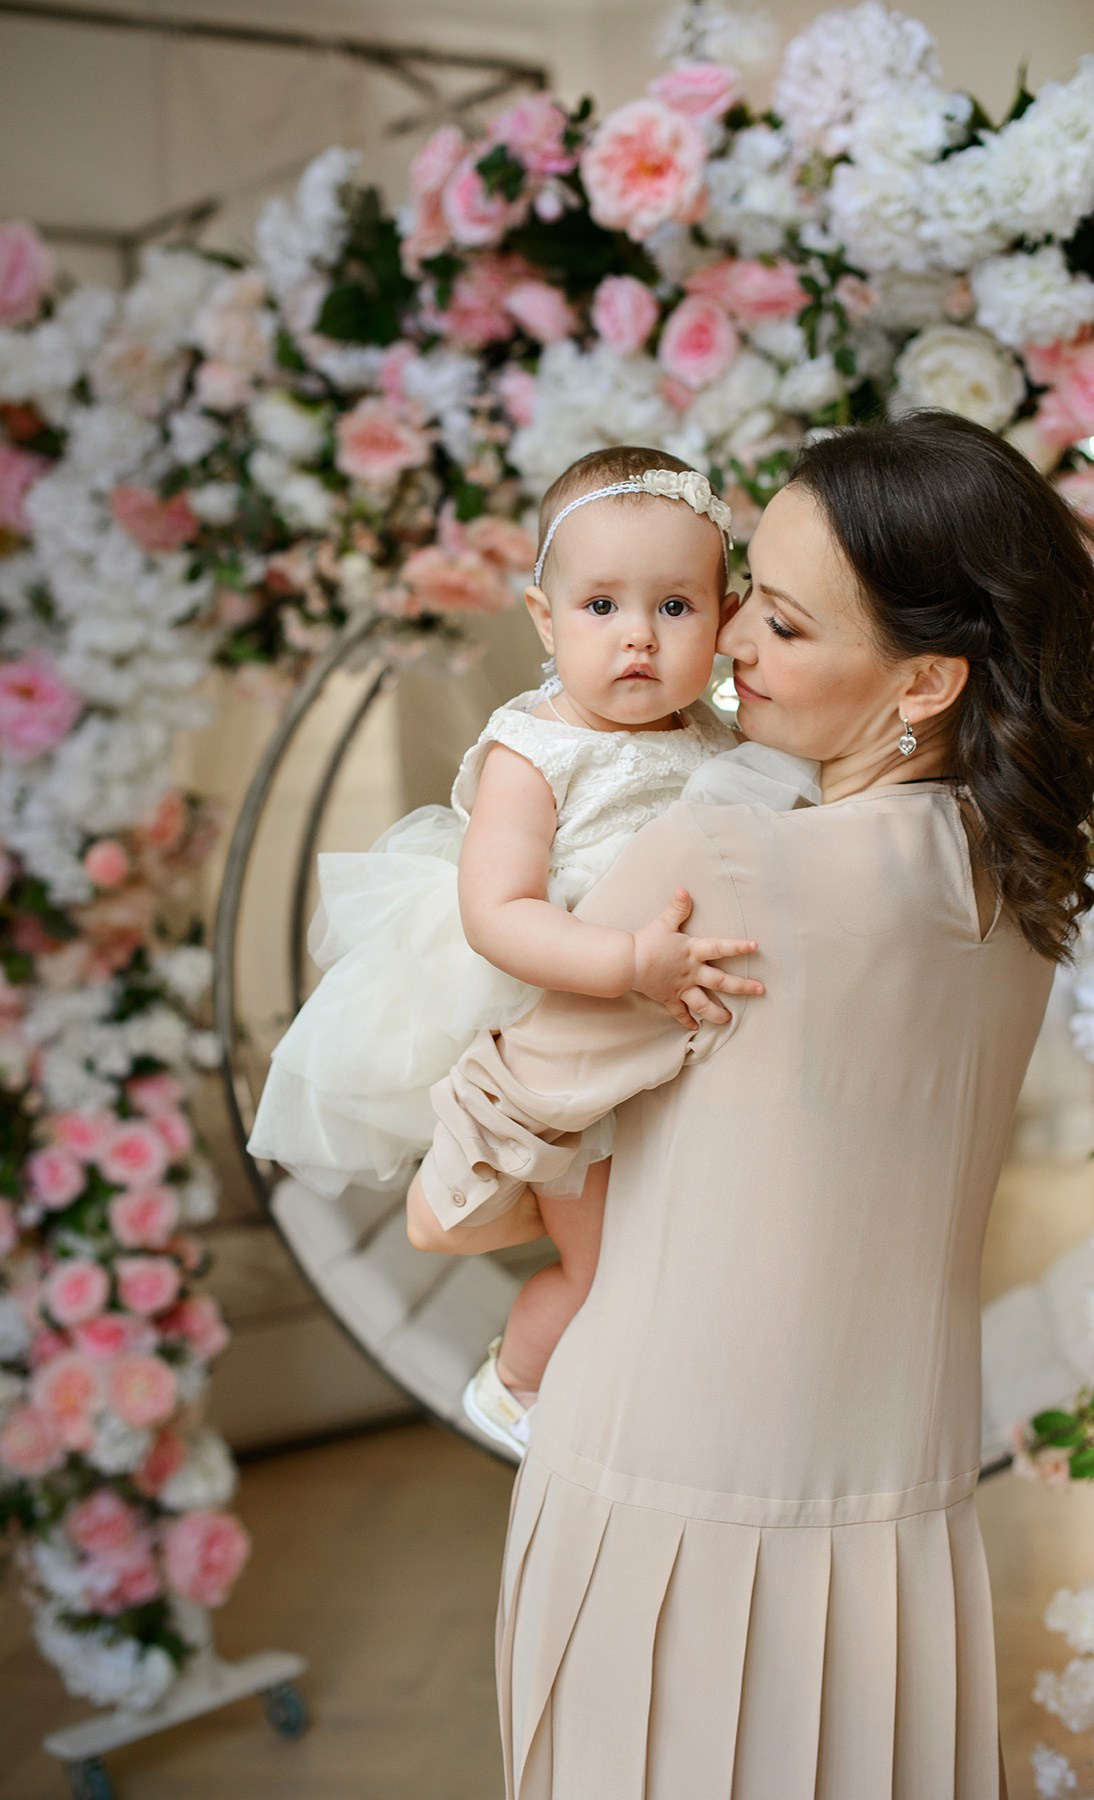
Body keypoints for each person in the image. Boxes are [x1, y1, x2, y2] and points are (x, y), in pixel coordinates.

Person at [407, 410, 1094, 1800]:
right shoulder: (1019, 886)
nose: (731, 641)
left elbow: (453, 1193)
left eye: (788, 626)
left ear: (924, 679)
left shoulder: (723, 855)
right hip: (897, 1507)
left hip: (663, 1490)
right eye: (746, 590)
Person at [247, 444, 820, 1455]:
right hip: (571, 1041)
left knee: (704, 1237)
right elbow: (498, 910)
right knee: (607, 1265)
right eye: (601, 607)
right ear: (545, 620)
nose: (638, 637)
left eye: (675, 608)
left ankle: (699, 1403)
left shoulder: (721, 741)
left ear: (725, 613)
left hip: (678, 1044)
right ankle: (515, 1384)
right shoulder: (534, 750)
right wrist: (622, 965)